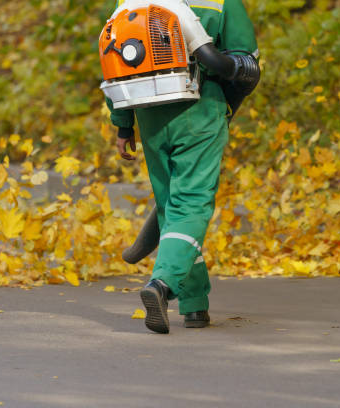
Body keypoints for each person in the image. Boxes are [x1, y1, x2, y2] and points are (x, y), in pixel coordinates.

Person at [106, 0, 259, 334]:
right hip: (200, 107)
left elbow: (114, 59)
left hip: (148, 114)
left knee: (169, 208)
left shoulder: (127, 1)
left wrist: (122, 124)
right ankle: (162, 285)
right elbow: (247, 61)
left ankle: (194, 305)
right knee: (190, 202)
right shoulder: (221, 2)